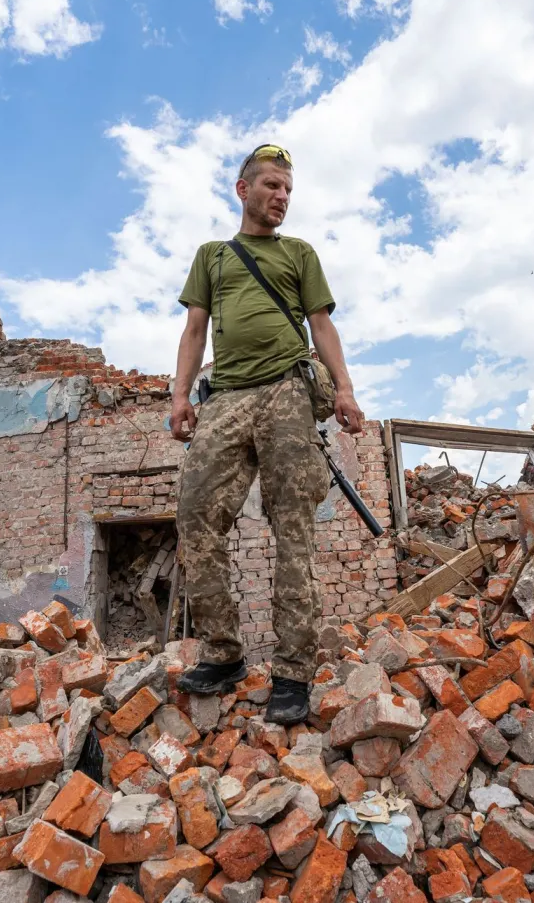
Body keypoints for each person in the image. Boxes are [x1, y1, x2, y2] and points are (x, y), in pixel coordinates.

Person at [169, 143, 365, 724]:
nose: (281, 197)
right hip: (225, 397)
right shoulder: (213, 255)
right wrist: (180, 395)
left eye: (287, 190)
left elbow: (323, 325)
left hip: (286, 388)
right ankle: (223, 655)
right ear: (243, 188)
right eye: (272, 186)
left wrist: (346, 389)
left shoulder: (299, 253)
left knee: (293, 528)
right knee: (195, 516)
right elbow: (194, 329)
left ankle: (292, 672)